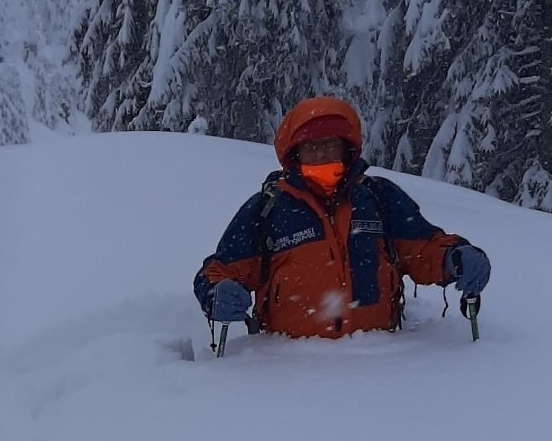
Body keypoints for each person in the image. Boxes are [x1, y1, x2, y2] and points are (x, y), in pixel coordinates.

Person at [194, 97, 490, 339]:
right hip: (286, 369)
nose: (322, 154)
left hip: (383, 364)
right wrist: (216, 294)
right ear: (294, 154)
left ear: (346, 148)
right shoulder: (267, 209)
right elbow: (219, 270)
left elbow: (423, 249)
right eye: (312, 147)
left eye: (329, 145)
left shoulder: (379, 199)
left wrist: (456, 257)